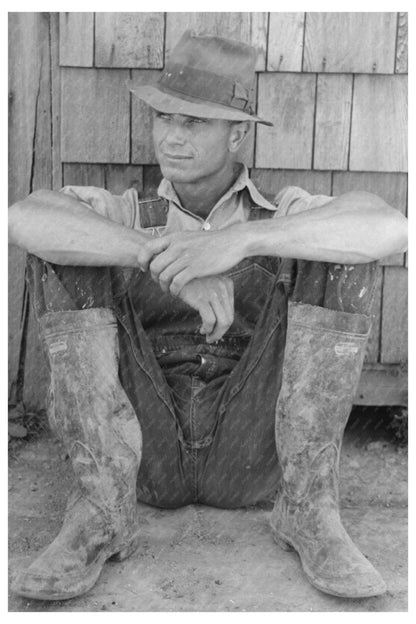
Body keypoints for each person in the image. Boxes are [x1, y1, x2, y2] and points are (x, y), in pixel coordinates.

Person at [9, 30, 407, 602]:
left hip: (249, 451)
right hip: (146, 449)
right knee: (67, 249)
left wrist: (242, 240)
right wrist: (155, 255)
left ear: (238, 132)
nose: (171, 136)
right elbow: (24, 218)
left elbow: (388, 226)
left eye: (194, 122)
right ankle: (98, 513)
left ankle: (309, 509)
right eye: (164, 118)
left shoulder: (278, 214)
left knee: (339, 253)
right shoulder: (127, 211)